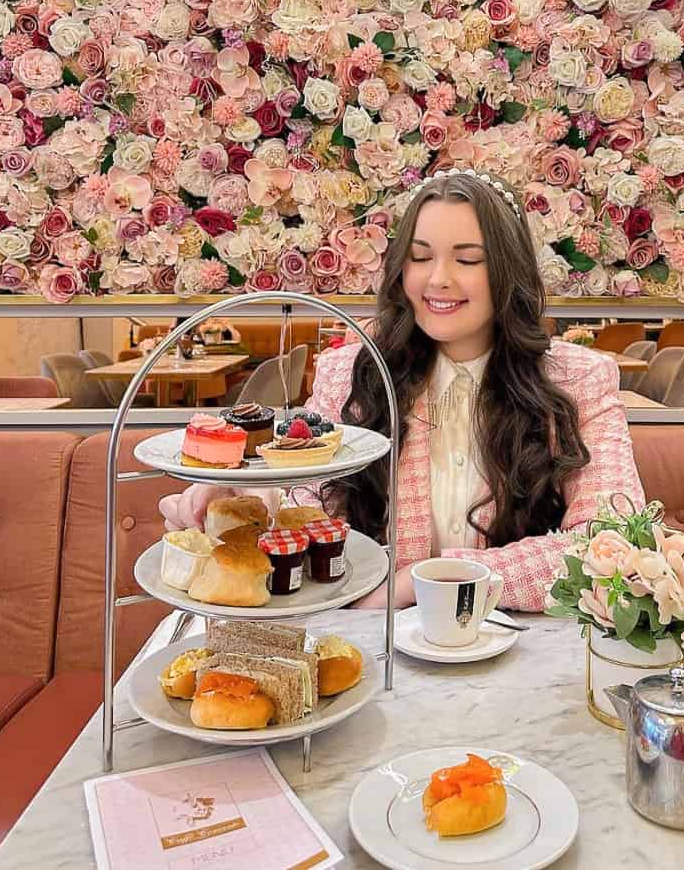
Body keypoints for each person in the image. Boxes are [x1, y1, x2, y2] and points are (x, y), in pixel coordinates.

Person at [160, 169, 645, 610]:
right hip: (376, 653)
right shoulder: (351, 374)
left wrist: (425, 580)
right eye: (419, 257)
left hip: (521, 659)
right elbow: (302, 502)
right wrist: (240, 497)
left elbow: (616, 542)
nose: (438, 279)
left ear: (508, 271)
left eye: (468, 259)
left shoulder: (577, 381)